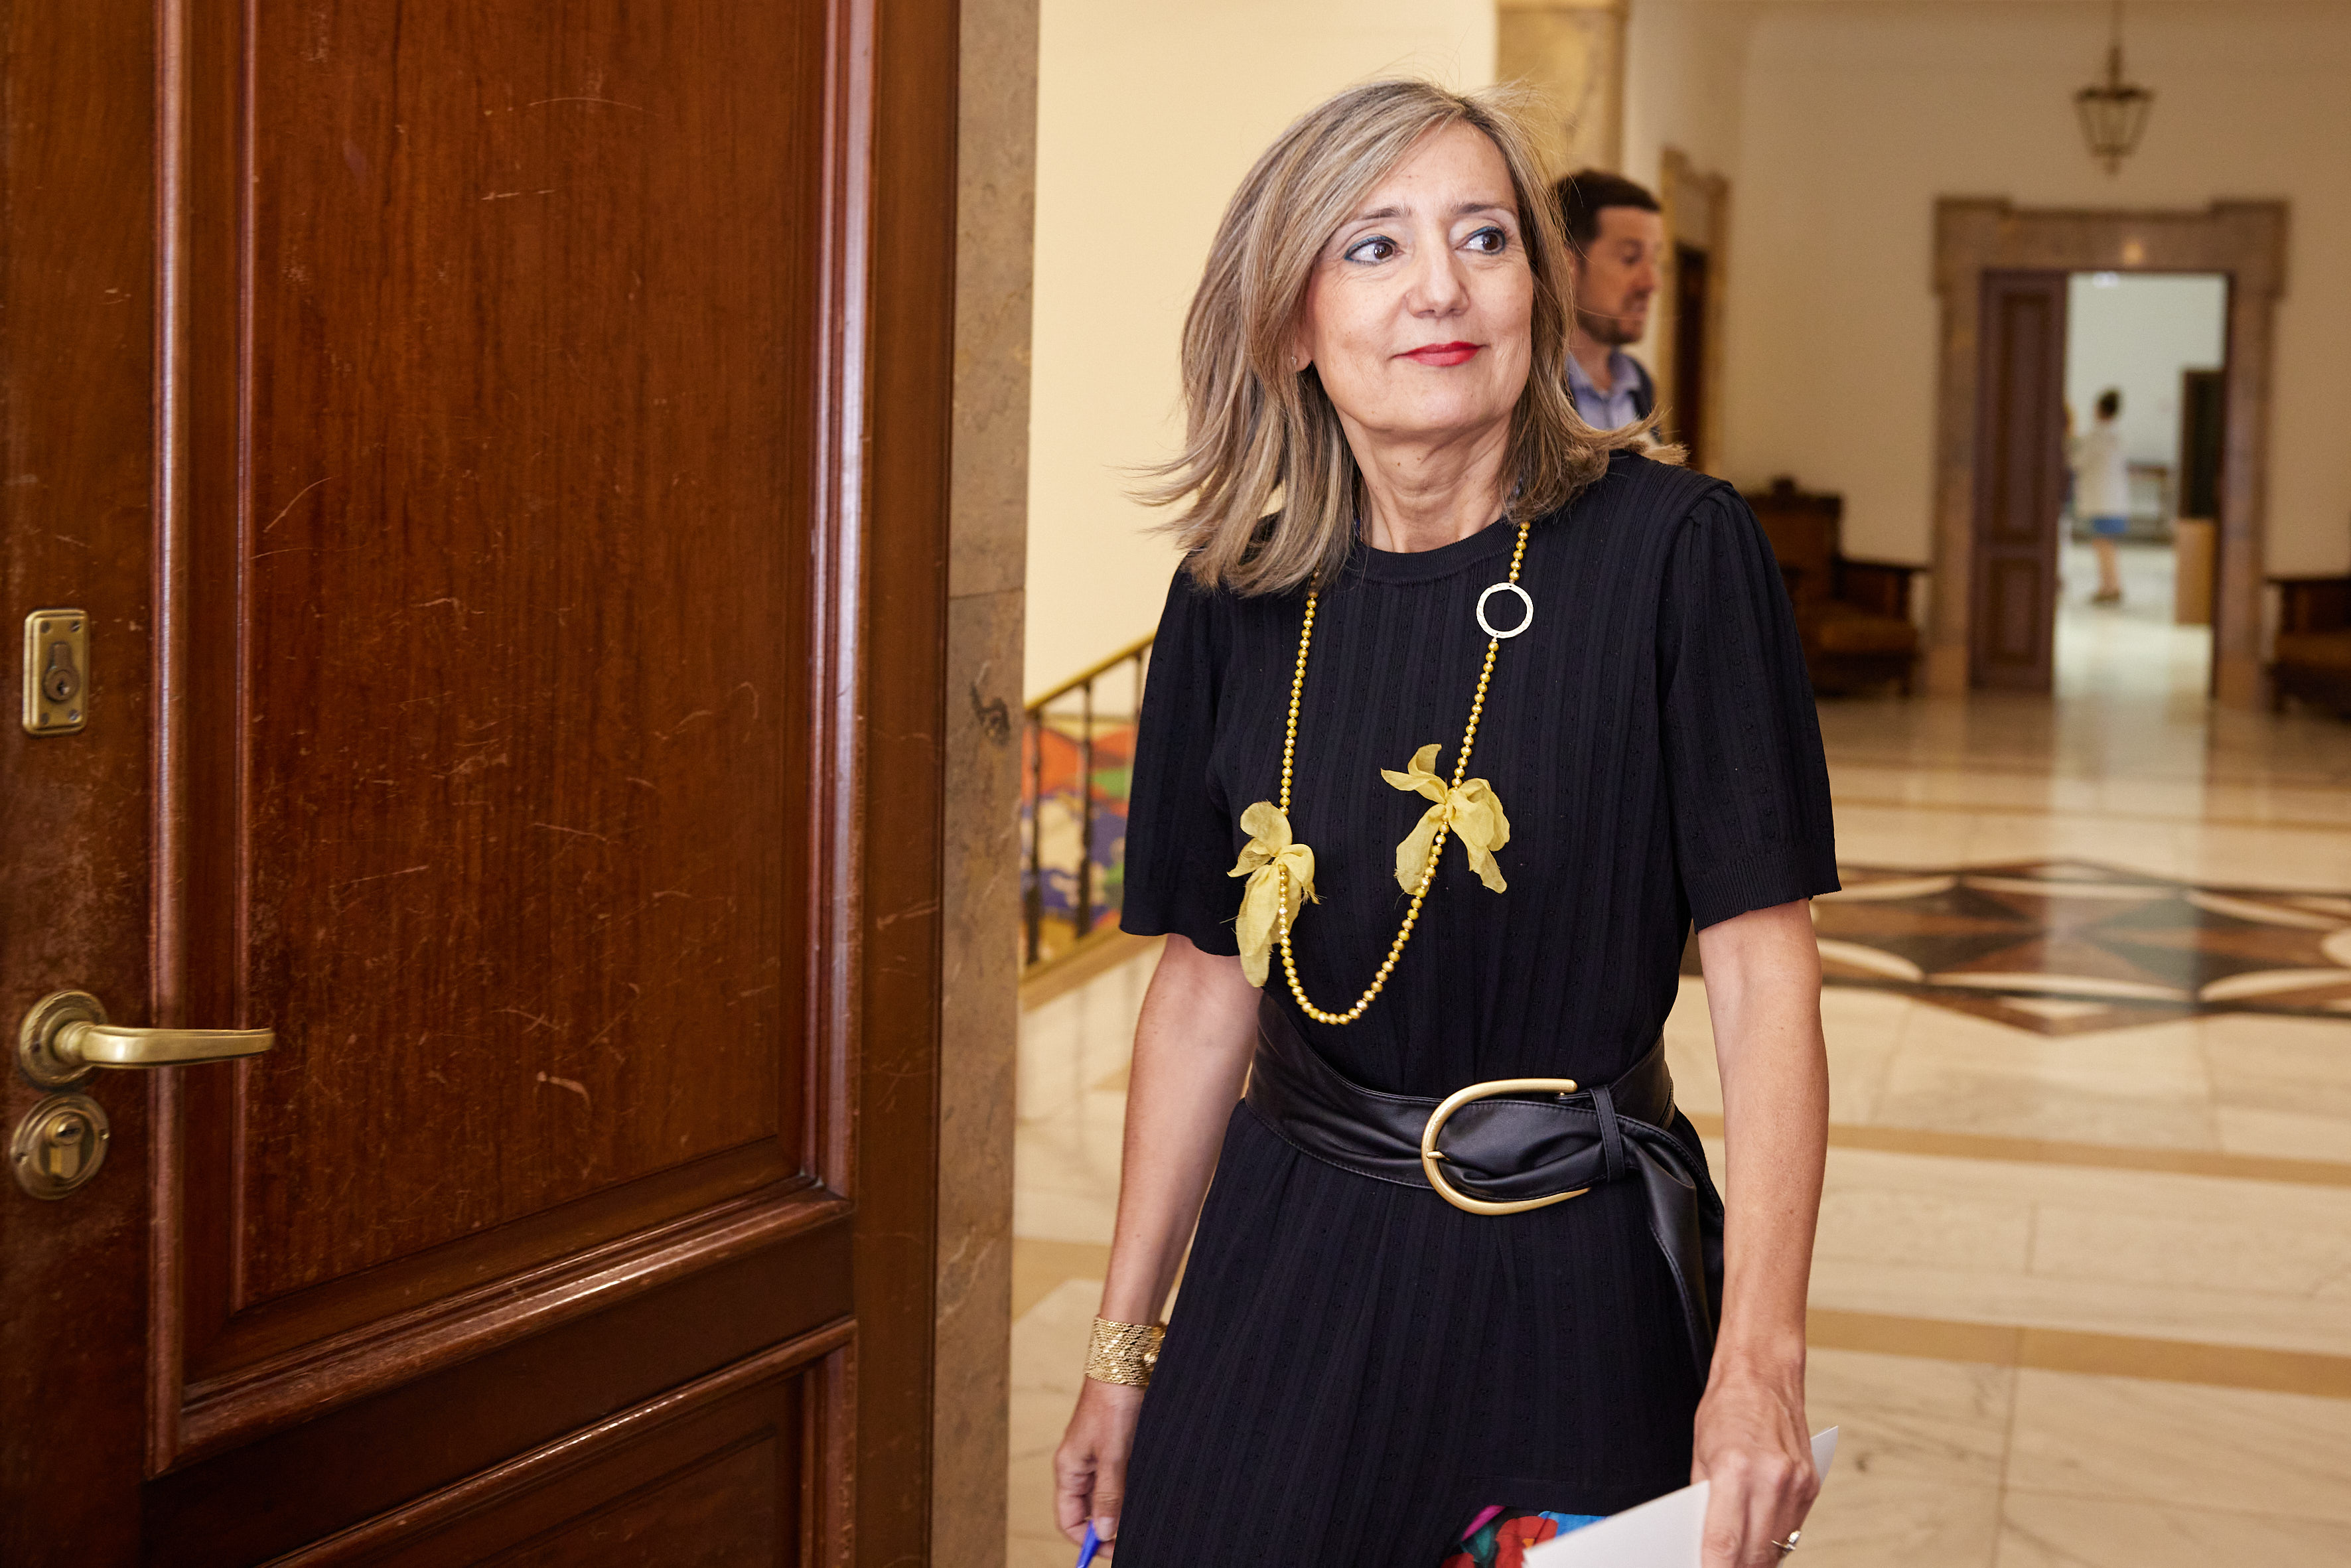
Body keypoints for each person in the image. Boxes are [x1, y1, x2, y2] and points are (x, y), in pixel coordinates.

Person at [1050, 81, 1835, 1568]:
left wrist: (1757, 1358)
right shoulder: (1233, 593)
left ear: (1533, 287)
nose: (1438, 288)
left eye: (1484, 237)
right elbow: (1208, 982)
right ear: (1288, 320)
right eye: (1371, 246)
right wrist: (1120, 1346)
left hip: (1571, 1265)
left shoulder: (1673, 553)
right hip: (1283, 1248)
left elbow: (1761, 971)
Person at [1555, 169, 1664, 431]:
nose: (1652, 283)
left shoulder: (1638, 382)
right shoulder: (1527, 389)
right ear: (1566, 265)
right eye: (1630, 258)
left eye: (1655, 261)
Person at [2071, 388, 2130, 603]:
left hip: (2102, 501)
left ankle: (2110, 587)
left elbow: (2077, 462)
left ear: (2098, 409)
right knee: (2106, 544)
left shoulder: (2096, 436)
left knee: (2103, 545)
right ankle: (2110, 585)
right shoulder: (2115, 435)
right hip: (2112, 500)